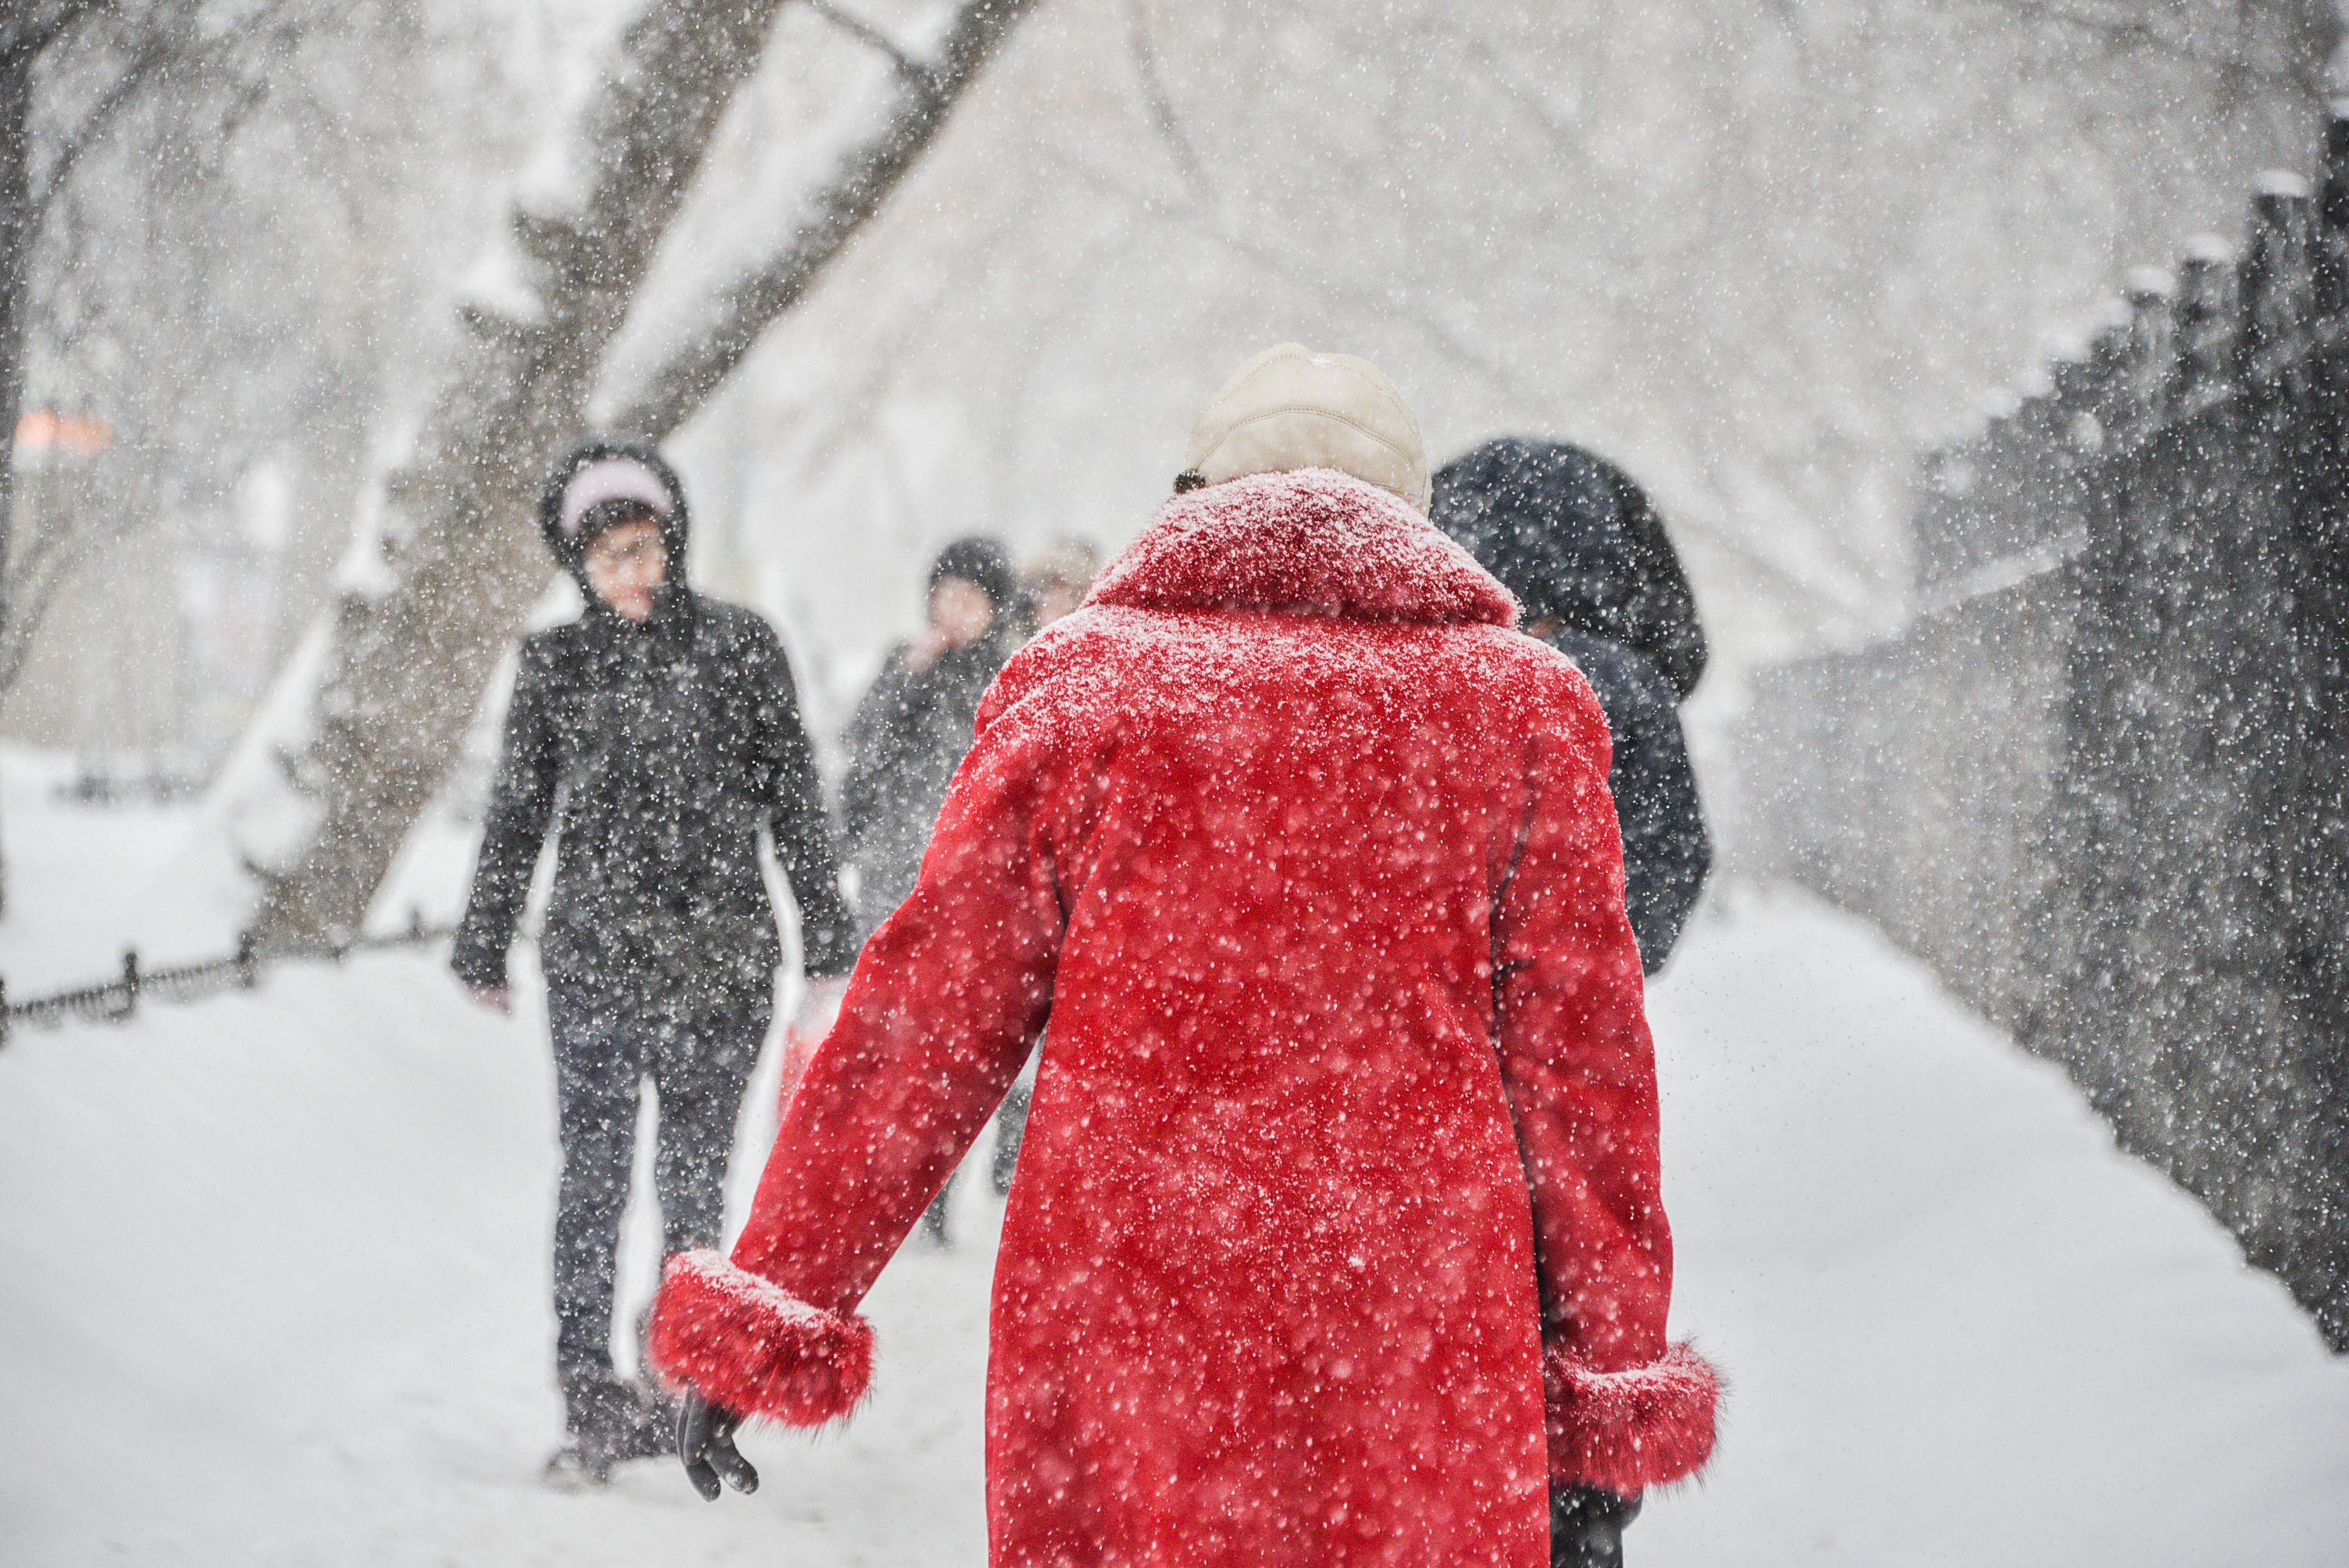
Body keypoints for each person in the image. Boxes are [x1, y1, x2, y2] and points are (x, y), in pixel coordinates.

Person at [647, 345, 1719, 1568]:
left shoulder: (1082, 694)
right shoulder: (1521, 711)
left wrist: (779, 1303)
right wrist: (1604, 1404)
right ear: (1414, 518)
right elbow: (1586, 1080)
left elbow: (928, 1024)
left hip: (1126, 1305)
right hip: (1417, 1324)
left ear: (1192, 493)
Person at [450, 438, 855, 1487]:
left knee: (692, 1192)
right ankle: (590, 1403)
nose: (629, 572)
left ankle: (680, 1378)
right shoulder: (555, 665)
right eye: (606, 557)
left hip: (721, 967)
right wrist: (485, 940)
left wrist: (826, 930)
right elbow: (517, 815)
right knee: (590, 1187)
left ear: (672, 541)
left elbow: (796, 799)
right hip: (593, 965)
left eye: (643, 547)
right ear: (578, 565)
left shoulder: (742, 646)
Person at [1432, 438, 1712, 975]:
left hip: (1425, 1015)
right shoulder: (1627, 689)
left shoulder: (1415, 672)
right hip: (1573, 1020)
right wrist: (1589, 967)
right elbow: (1672, 857)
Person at [836, 535, 1025, 1242]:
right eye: (947, 594)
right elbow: (861, 754)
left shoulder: (1009, 677)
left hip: (969, 890)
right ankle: (874, 1181)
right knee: (885, 1039)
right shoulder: (902, 663)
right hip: (893, 877)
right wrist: (907, 679)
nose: (956, 610)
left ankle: (931, 1195)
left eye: (972, 599)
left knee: (950, 1050)